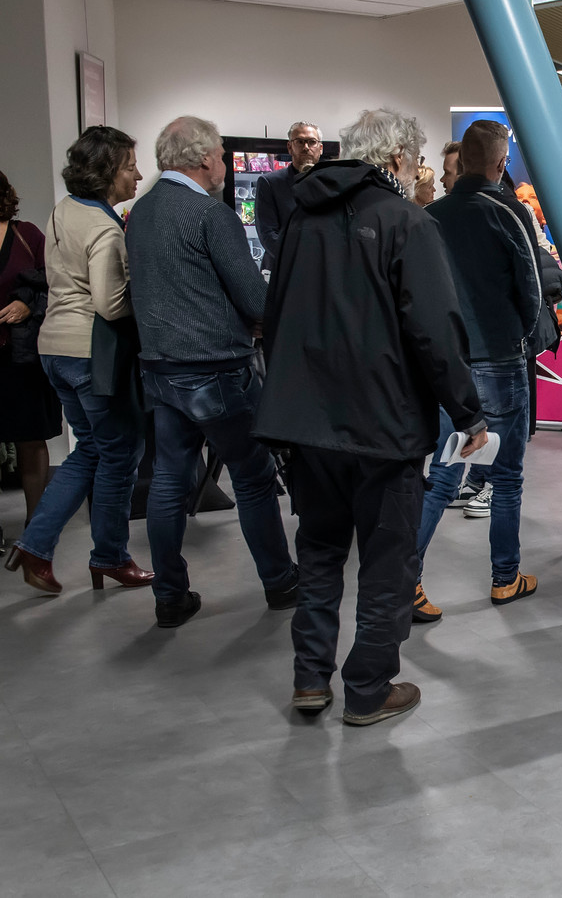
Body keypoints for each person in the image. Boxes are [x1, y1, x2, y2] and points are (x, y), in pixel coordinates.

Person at [253, 107, 484, 726]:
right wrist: (469, 412)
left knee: (321, 553)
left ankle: (310, 679)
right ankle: (368, 689)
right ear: (397, 160)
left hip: (307, 425)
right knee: (388, 560)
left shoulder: (301, 217)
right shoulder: (407, 221)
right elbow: (436, 332)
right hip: (384, 425)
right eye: (415, 161)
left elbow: (274, 319)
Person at [125, 115, 300, 628]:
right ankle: (280, 581)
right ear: (203, 158)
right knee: (253, 477)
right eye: (221, 153)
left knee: (167, 483)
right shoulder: (210, 215)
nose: (223, 162)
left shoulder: (142, 211)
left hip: (160, 369)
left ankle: (170, 596)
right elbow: (253, 298)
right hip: (216, 370)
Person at [3, 127, 153, 595]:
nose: (138, 174)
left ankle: (36, 545)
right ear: (108, 172)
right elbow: (111, 305)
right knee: (121, 454)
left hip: (54, 350)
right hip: (91, 354)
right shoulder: (105, 228)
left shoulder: (64, 209)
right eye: (130, 166)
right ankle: (109, 556)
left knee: (88, 450)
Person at [423, 119, 544, 607]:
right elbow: (533, 292)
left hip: (450, 368)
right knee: (508, 476)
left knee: (444, 472)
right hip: (499, 362)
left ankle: (403, 580)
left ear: (461, 163)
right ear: (500, 165)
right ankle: (504, 577)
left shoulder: (430, 215)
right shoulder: (509, 211)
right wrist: (522, 338)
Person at [0, 171, 62, 545]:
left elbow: (55, 283)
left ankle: (35, 531)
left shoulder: (28, 235)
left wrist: (26, 302)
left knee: (30, 439)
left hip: (21, 356)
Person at [255, 121, 323, 273]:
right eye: (300, 141)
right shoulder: (270, 183)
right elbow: (268, 233)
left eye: (312, 142)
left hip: (321, 269)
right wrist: (300, 259)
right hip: (283, 268)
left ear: (320, 148)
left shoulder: (332, 183)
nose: (306, 147)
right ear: (290, 147)